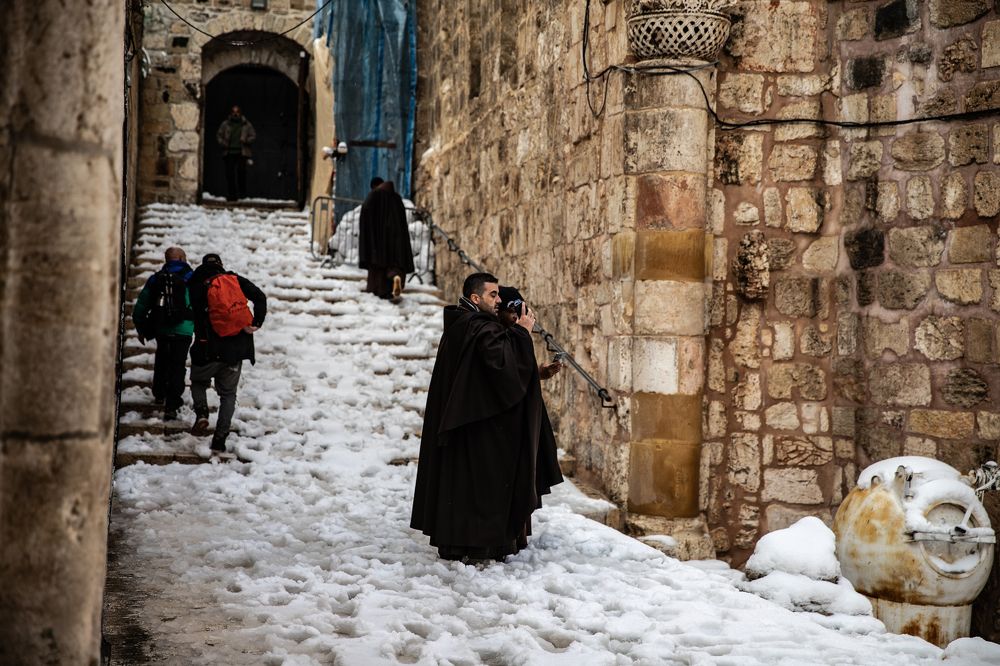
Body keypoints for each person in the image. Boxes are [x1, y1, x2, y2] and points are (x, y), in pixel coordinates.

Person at [410, 273, 564, 563]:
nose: (499, 300)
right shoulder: (476, 327)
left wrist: (536, 372)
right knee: (480, 487)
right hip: (478, 428)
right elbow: (501, 368)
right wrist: (522, 332)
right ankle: (480, 545)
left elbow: (489, 374)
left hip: (473, 421)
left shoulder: (466, 325)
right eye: (493, 295)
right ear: (475, 298)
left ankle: (470, 542)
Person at [187, 253, 267, 455]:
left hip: (206, 348)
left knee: (198, 381)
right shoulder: (235, 280)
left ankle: (202, 413)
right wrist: (256, 323)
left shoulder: (196, 286)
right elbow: (260, 297)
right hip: (236, 349)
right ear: (221, 266)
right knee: (228, 395)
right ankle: (220, 439)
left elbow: (188, 313)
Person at [132, 246, 194, 422]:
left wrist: (141, 328)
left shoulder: (156, 279)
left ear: (167, 260)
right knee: (177, 365)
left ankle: (159, 393)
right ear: (182, 258)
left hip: (162, 328)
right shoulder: (191, 277)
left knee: (162, 359)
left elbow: (141, 306)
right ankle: (172, 406)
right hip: (184, 329)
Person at [358, 178, 415, 302]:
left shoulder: (373, 196)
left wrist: (369, 237)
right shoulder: (396, 198)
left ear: (374, 186)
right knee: (394, 264)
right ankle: (396, 277)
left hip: (378, 241)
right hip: (396, 239)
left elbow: (366, 212)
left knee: (378, 267)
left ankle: (380, 291)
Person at [216, 105, 256, 202]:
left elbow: (253, 135)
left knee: (241, 173)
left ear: (240, 113)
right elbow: (219, 135)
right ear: (231, 113)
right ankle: (232, 195)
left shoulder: (246, 124)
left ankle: (242, 194)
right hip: (229, 152)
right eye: (233, 111)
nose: (235, 113)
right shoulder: (226, 124)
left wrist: (245, 140)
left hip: (242, 152)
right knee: (230, 174)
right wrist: (223, 143)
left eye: (237, 112)